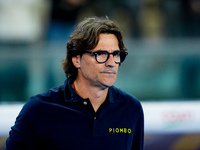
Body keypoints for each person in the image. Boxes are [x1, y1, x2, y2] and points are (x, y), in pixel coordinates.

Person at [6, 16, 144, 150]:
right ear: (76, 59)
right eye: (101, 54)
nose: (111, 63)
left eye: (116, 54)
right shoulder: (39, 109)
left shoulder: (131, 108)